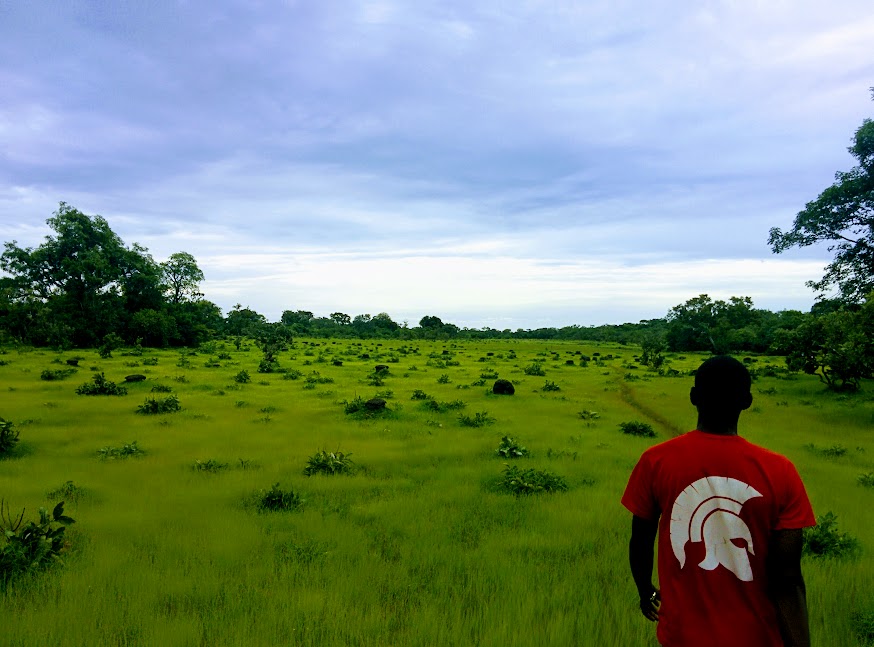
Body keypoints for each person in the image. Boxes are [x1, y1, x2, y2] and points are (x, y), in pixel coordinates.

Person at [621, 355, 815, 647]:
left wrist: (644, 589)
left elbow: (641, 539)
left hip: (682, 636)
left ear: (693, 397)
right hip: (758, 637)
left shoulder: (656, 461)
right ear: (747, 401)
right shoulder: (780, 470)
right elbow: (787, 578)